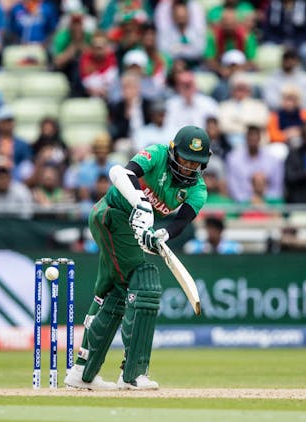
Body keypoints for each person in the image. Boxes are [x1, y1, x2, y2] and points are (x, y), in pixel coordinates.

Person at [64, 125, 211, 390]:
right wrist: (141, 203)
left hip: (127, 228)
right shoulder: (157, 154)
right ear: (173, 151)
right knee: (144, 281)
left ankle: (83, 372)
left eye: (196, 163)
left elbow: (180, 222)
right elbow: (119, 172)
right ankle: (132, 375)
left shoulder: (198, 190)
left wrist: (160, 235)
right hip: (111, 213)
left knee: (116, 292)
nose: (189, 167)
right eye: (186, 160)